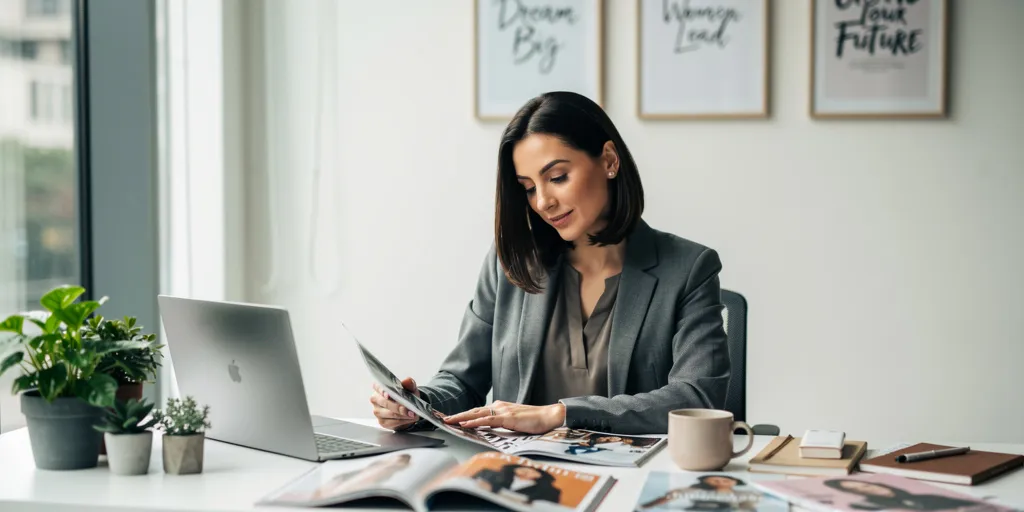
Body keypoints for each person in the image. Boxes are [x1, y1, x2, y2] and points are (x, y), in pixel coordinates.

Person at [370, 91, 730, 435]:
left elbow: (697, 397)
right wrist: (417, 405)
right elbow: (463, 380)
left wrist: (560, 415)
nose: (543, 202)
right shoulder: (510, 264)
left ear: (609, 160)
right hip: (517, 470)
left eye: (557, 177)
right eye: (528, 187)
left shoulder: (688, 269)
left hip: (627, 474)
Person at [822, 479, 996, 511]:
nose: (866, 490)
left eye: (866, 486)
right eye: (857, 490)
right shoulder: (868, 507)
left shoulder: (927, 498)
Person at [638, 475, 762, 511]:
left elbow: (748, 507)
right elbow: (671, 496)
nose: (721, 482)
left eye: (725, 479)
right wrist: (645, 507)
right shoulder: (694, 492)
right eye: (715, 480)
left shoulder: (747, 495)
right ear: (707, 482)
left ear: (735, 481)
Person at [472, 463, 562, 506]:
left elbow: (541, 506)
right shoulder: (488, 473)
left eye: (533, 471)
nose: (528, 471)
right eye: (525, 469)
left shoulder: (551, 491)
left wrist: (496, 490)